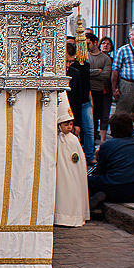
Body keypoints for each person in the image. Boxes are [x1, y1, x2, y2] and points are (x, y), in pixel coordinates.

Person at [88, 113, 134, 204]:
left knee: (87, 181)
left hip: (116, 188)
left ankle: (91, 201)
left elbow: (101, 170)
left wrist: (98, 157)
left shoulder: (108, 145)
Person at [54, 92, 90, 227]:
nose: (69, 127)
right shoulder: (56, 140)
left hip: (73, 172)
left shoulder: (74, 139)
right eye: (65, 124)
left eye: (70, 124)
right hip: (61, 172)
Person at [86, 33, 112, 149]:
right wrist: (98, 71)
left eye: (88, 43)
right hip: (87, 90)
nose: (86, 46)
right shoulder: (85, 56)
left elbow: (106, 75)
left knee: (96, 117)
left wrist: (92, 72)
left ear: (95, 43)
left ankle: (93, 145)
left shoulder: (105, 58)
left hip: (99, 91)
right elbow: (84, 73)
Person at [95, 36, 115, 143]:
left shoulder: (113, 60)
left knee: (105, 115)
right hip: (95, 89)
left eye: (108, 43)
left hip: (107, 91)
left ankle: (103, 140)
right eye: (103, 43)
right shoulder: (96, 58)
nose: (106, 45)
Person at [64, 43, 83, 135]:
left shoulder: (75, 73)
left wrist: (77, 124)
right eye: (66, 61)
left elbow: (77, 100)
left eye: (70, 62)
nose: (68, 65)